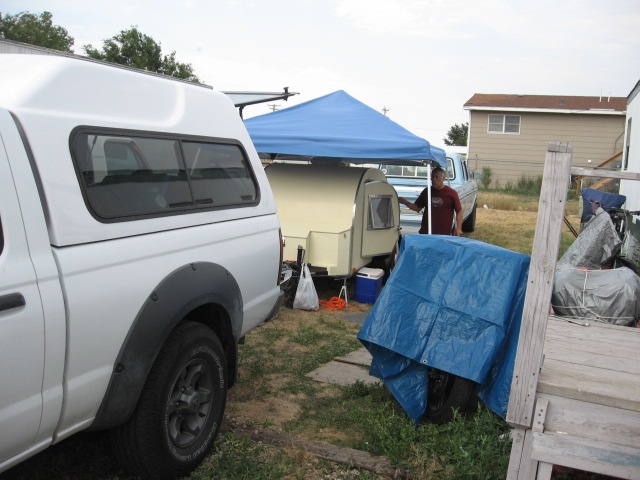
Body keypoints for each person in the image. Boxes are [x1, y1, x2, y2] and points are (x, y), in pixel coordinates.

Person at [398, 166, 463, 236]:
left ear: (443, 178)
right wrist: (405, 202)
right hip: (426, 232)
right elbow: (417, 207)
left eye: (437, 177)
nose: (434, 179)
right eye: (432, 177)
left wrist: (459, 228)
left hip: (444, 233)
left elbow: (459, 210)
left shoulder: (451, 193)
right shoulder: (427, 191)